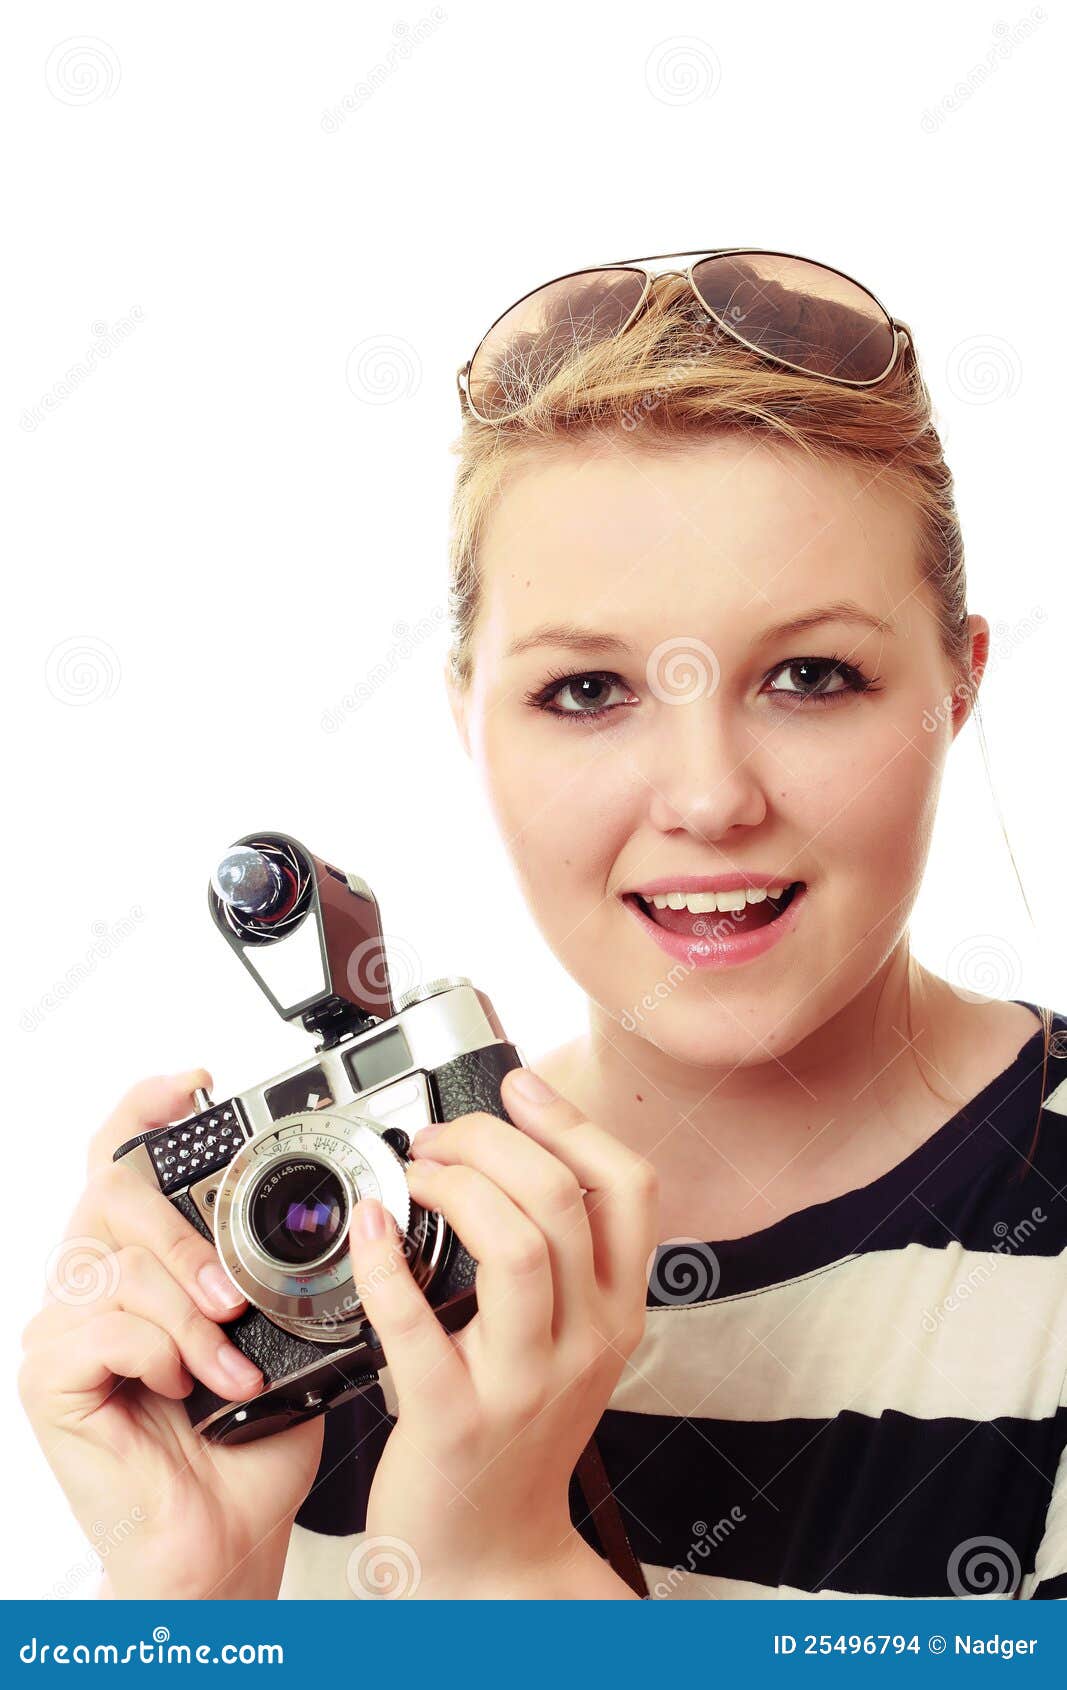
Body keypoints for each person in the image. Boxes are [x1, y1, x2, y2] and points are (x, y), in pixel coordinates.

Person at [21, 251, 1067, 1601]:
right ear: (468, 715)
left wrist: (502, 1570)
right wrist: (186, 1589)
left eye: (811, 676)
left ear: (958, 684)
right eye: (586, 690)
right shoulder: (332, 1261)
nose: (708, 797)